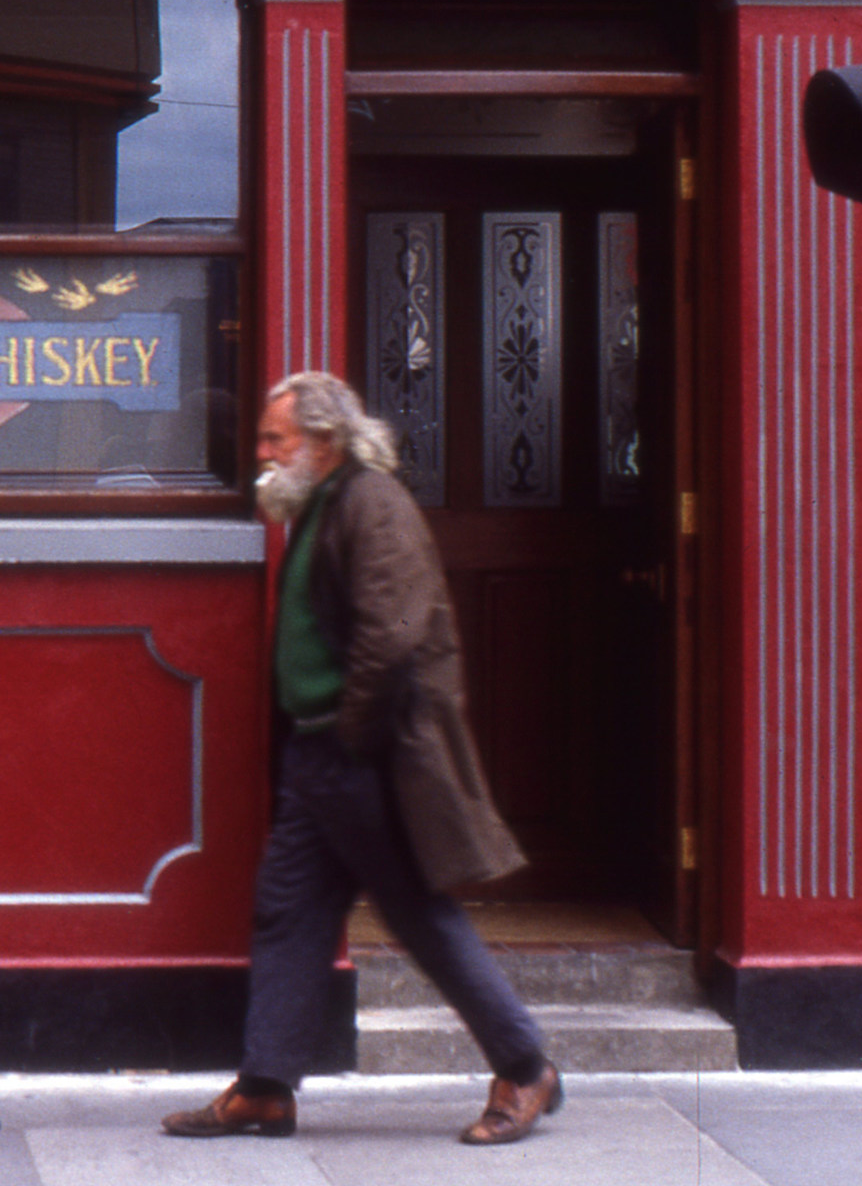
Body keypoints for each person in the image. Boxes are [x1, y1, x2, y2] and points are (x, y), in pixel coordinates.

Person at [161, 371, 562, 1147]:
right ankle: (267, 1087)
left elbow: (394, 633)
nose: (263, 451)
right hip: (321, 759)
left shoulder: (372, 504)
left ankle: (525, 1068)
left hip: (361, 757)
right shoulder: (321, 504)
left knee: (419, 913)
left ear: (325, 439)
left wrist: (353, 735)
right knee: (289, 910)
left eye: (276, 438)